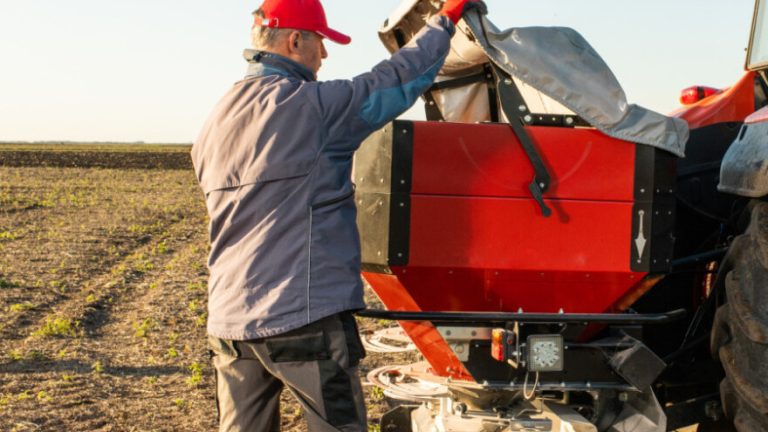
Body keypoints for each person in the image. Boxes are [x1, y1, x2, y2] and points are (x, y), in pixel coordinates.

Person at [191, 0, 484, 430]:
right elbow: (394, 82)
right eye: (321, 43)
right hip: (301, 319)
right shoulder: (309, 107)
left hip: (230, 323)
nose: (325, 55)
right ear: (295, 40)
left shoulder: (216, 120)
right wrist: (444, 22)